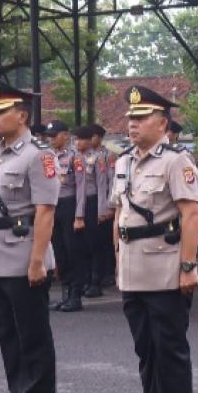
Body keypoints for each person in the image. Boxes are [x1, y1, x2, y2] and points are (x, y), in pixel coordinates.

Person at [113, 85, 198, 393]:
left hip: (164, 267)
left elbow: (191, 214)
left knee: (169, 351)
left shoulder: (176, 161)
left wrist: (188, 266)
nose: (132, 124)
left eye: (141, 118)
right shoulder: (124, 162)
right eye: (130, 118)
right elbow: (119, 214)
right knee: (145, 352)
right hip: (133, 267)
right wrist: (116, 257)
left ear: (162, 123)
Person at [0, 81, 60, 393]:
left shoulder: (38, 154)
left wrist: (38, 261)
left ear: (22, 115)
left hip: (24, 251)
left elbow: (45, 212)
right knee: (8, 335)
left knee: (33, 336)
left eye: (1, 111)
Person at [45, 121, 86, 312]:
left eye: (55, 135)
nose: (51, 139)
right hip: (54, 206)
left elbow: (81, 187)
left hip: (69, 205)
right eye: (49, 136)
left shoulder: (75, 157)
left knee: (73, 252)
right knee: (59, 252)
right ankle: (65, 293)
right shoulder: (47, 156)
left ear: (65, 135)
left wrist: (79, 216)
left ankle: (75, 296)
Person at [76, 126, 110, 298]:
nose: (77, 142)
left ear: (91, 140)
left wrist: (102, 209)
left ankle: (96, 281)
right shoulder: (74, 158)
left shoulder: (98, 159)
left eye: (81, 139)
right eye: (76, 139)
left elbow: (102, 185)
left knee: (94, 244)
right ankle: (85, 280)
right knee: (81, 246)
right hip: (77, 205)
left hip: (93, 203)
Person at [90, 123, 117, 287]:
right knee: (96, 242)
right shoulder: (85, 155)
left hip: (105, 203)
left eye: (92, 136)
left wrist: (109, 206)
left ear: (99, 138)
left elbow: (111, 181)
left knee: (107, 241)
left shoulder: (109, 155)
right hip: (93, 204)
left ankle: (109, 273)